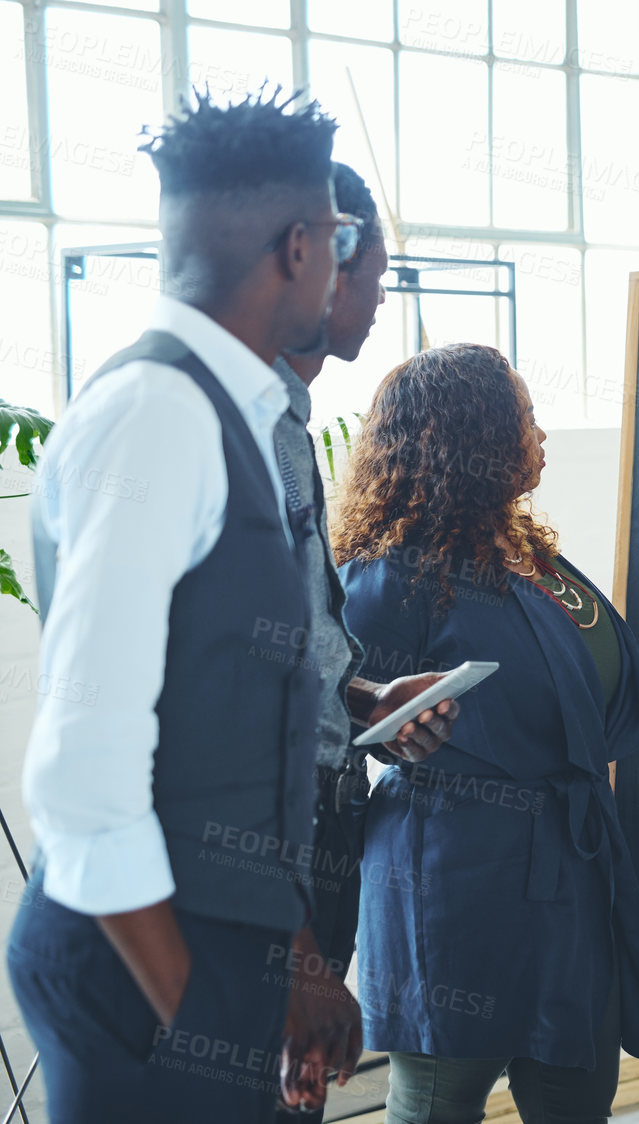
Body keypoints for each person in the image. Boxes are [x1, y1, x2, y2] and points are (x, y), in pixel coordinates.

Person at [9, 88, 370, 1123]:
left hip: (194, 955)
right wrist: (199, 1008)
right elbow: (82, 774)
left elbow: (229, 732)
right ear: (299, 246)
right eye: (341, 238)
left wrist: (279, 968)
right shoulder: (158, 417)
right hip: (137, 974)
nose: (345, 265)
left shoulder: (226, 409)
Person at [333, 343, 639, 1123]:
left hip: (571, 875)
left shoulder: (530, 554)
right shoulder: (392, 575)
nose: (542, 435)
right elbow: (335, 709)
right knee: (441, 1101)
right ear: (473, 438)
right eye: (526, 418)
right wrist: (389, 727)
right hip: (453, 883)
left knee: (577, 1096)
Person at [270, 160, 462, 1121]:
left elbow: (292, 659)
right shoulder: (225, 431)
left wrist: (366, 703)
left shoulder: (287, 429)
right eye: (379, 271)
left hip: (308, 868)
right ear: (321, 258)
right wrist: (299, 964)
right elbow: (220, 720)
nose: (385, 295)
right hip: (256, 896)